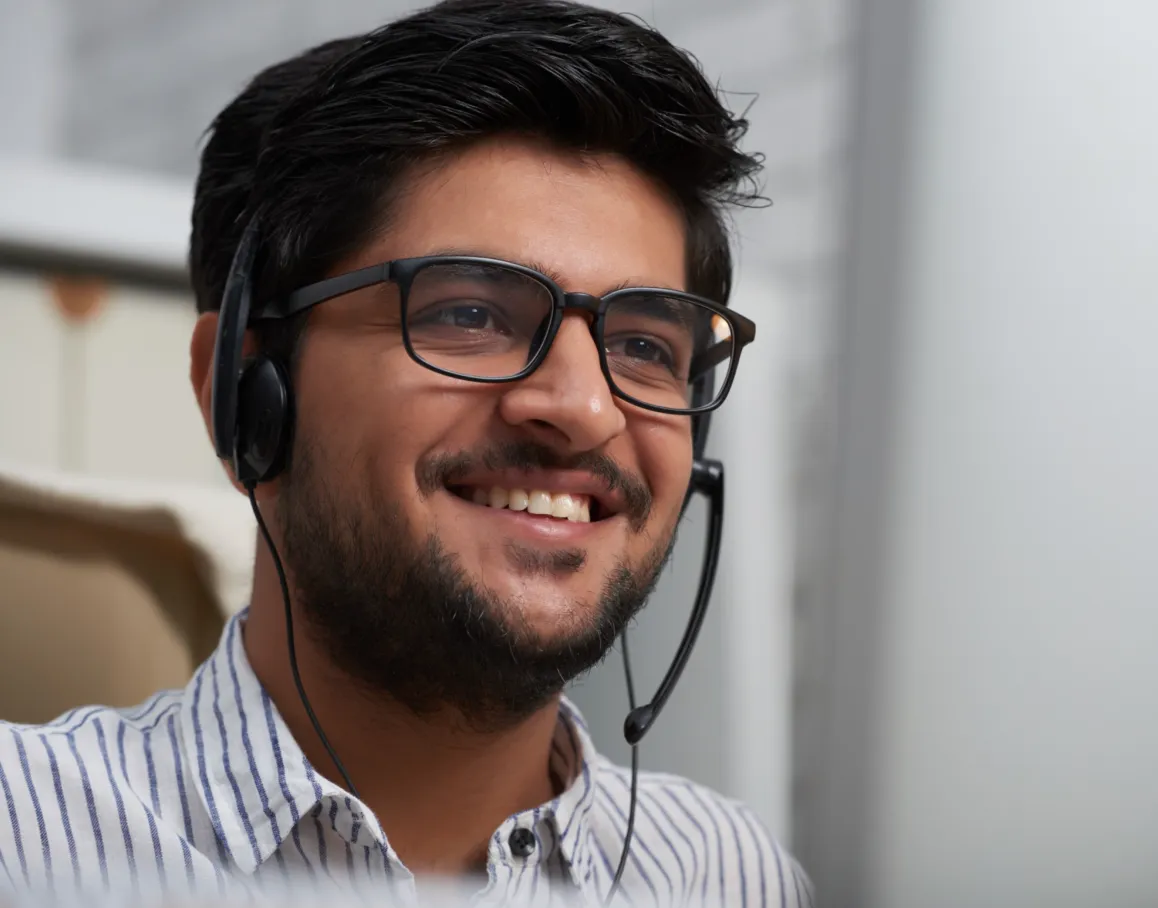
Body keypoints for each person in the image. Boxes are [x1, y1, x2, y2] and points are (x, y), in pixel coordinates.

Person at [0, 1, 812, 904]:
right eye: (468, 314)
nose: (585, 408)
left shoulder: (730, 874)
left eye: (645, 346)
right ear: (244, 396)